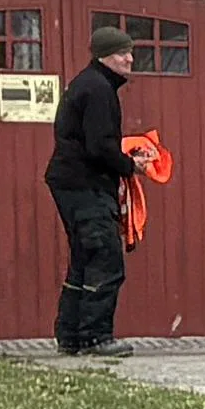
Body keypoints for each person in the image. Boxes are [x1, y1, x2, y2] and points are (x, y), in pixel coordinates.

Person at [46, 18, 138, 352]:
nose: (129, 59)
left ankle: (70, 336)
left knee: (84, 259)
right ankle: (97, 336)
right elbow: (99, 146)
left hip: (70, 182)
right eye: (122, 54)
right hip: (86, 186)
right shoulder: (99, 90)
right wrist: (130, 165)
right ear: (104, 56)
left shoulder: (88, 85)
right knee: (105, 258)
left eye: (129, 52)